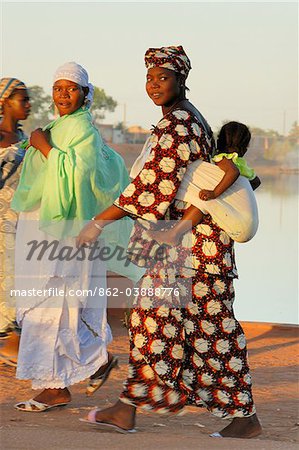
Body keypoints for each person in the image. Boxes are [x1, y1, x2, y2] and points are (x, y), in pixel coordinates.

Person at [77, 46, 262, 438]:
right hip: (194, 252)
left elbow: (151, 187)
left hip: (192, 252)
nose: (154, 85)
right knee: (194, 328)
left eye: (163, 77)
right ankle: (140, 406)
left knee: (180, 326)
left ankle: (135, 407)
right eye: (150, 78)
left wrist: (96, 223)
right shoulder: (190, 121)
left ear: (181, 81)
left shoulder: (178, 126)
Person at [11, 62, 139, 412]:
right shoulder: (58, 126)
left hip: (64, 228)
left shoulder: (81, 129)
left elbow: (80, 174)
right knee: (42, 302)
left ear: (85, 94)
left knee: (58, 302)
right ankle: (58, 380)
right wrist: (45, 142)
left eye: (71, 88)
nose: (63, 94)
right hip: (41, 222)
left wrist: (44, 146)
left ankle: (68, 377)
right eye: (57, 88)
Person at [149, 121, 261, 246]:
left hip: (239, 226)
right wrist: (236, 193)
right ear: (245, 148)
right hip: (250, 225)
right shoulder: (243, 164)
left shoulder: (223, 158)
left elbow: (232, 173)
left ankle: (174, 234)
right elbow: (256, 182)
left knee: (201, 202)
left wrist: (214, 193)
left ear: (219, 141)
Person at [0, 78, 30, 366]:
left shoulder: (25, 137)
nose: (29, 105)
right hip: (2, 221)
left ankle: (14, 341)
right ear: (5, 102)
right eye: (23, 99)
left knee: (15, 278)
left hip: (20, 221)